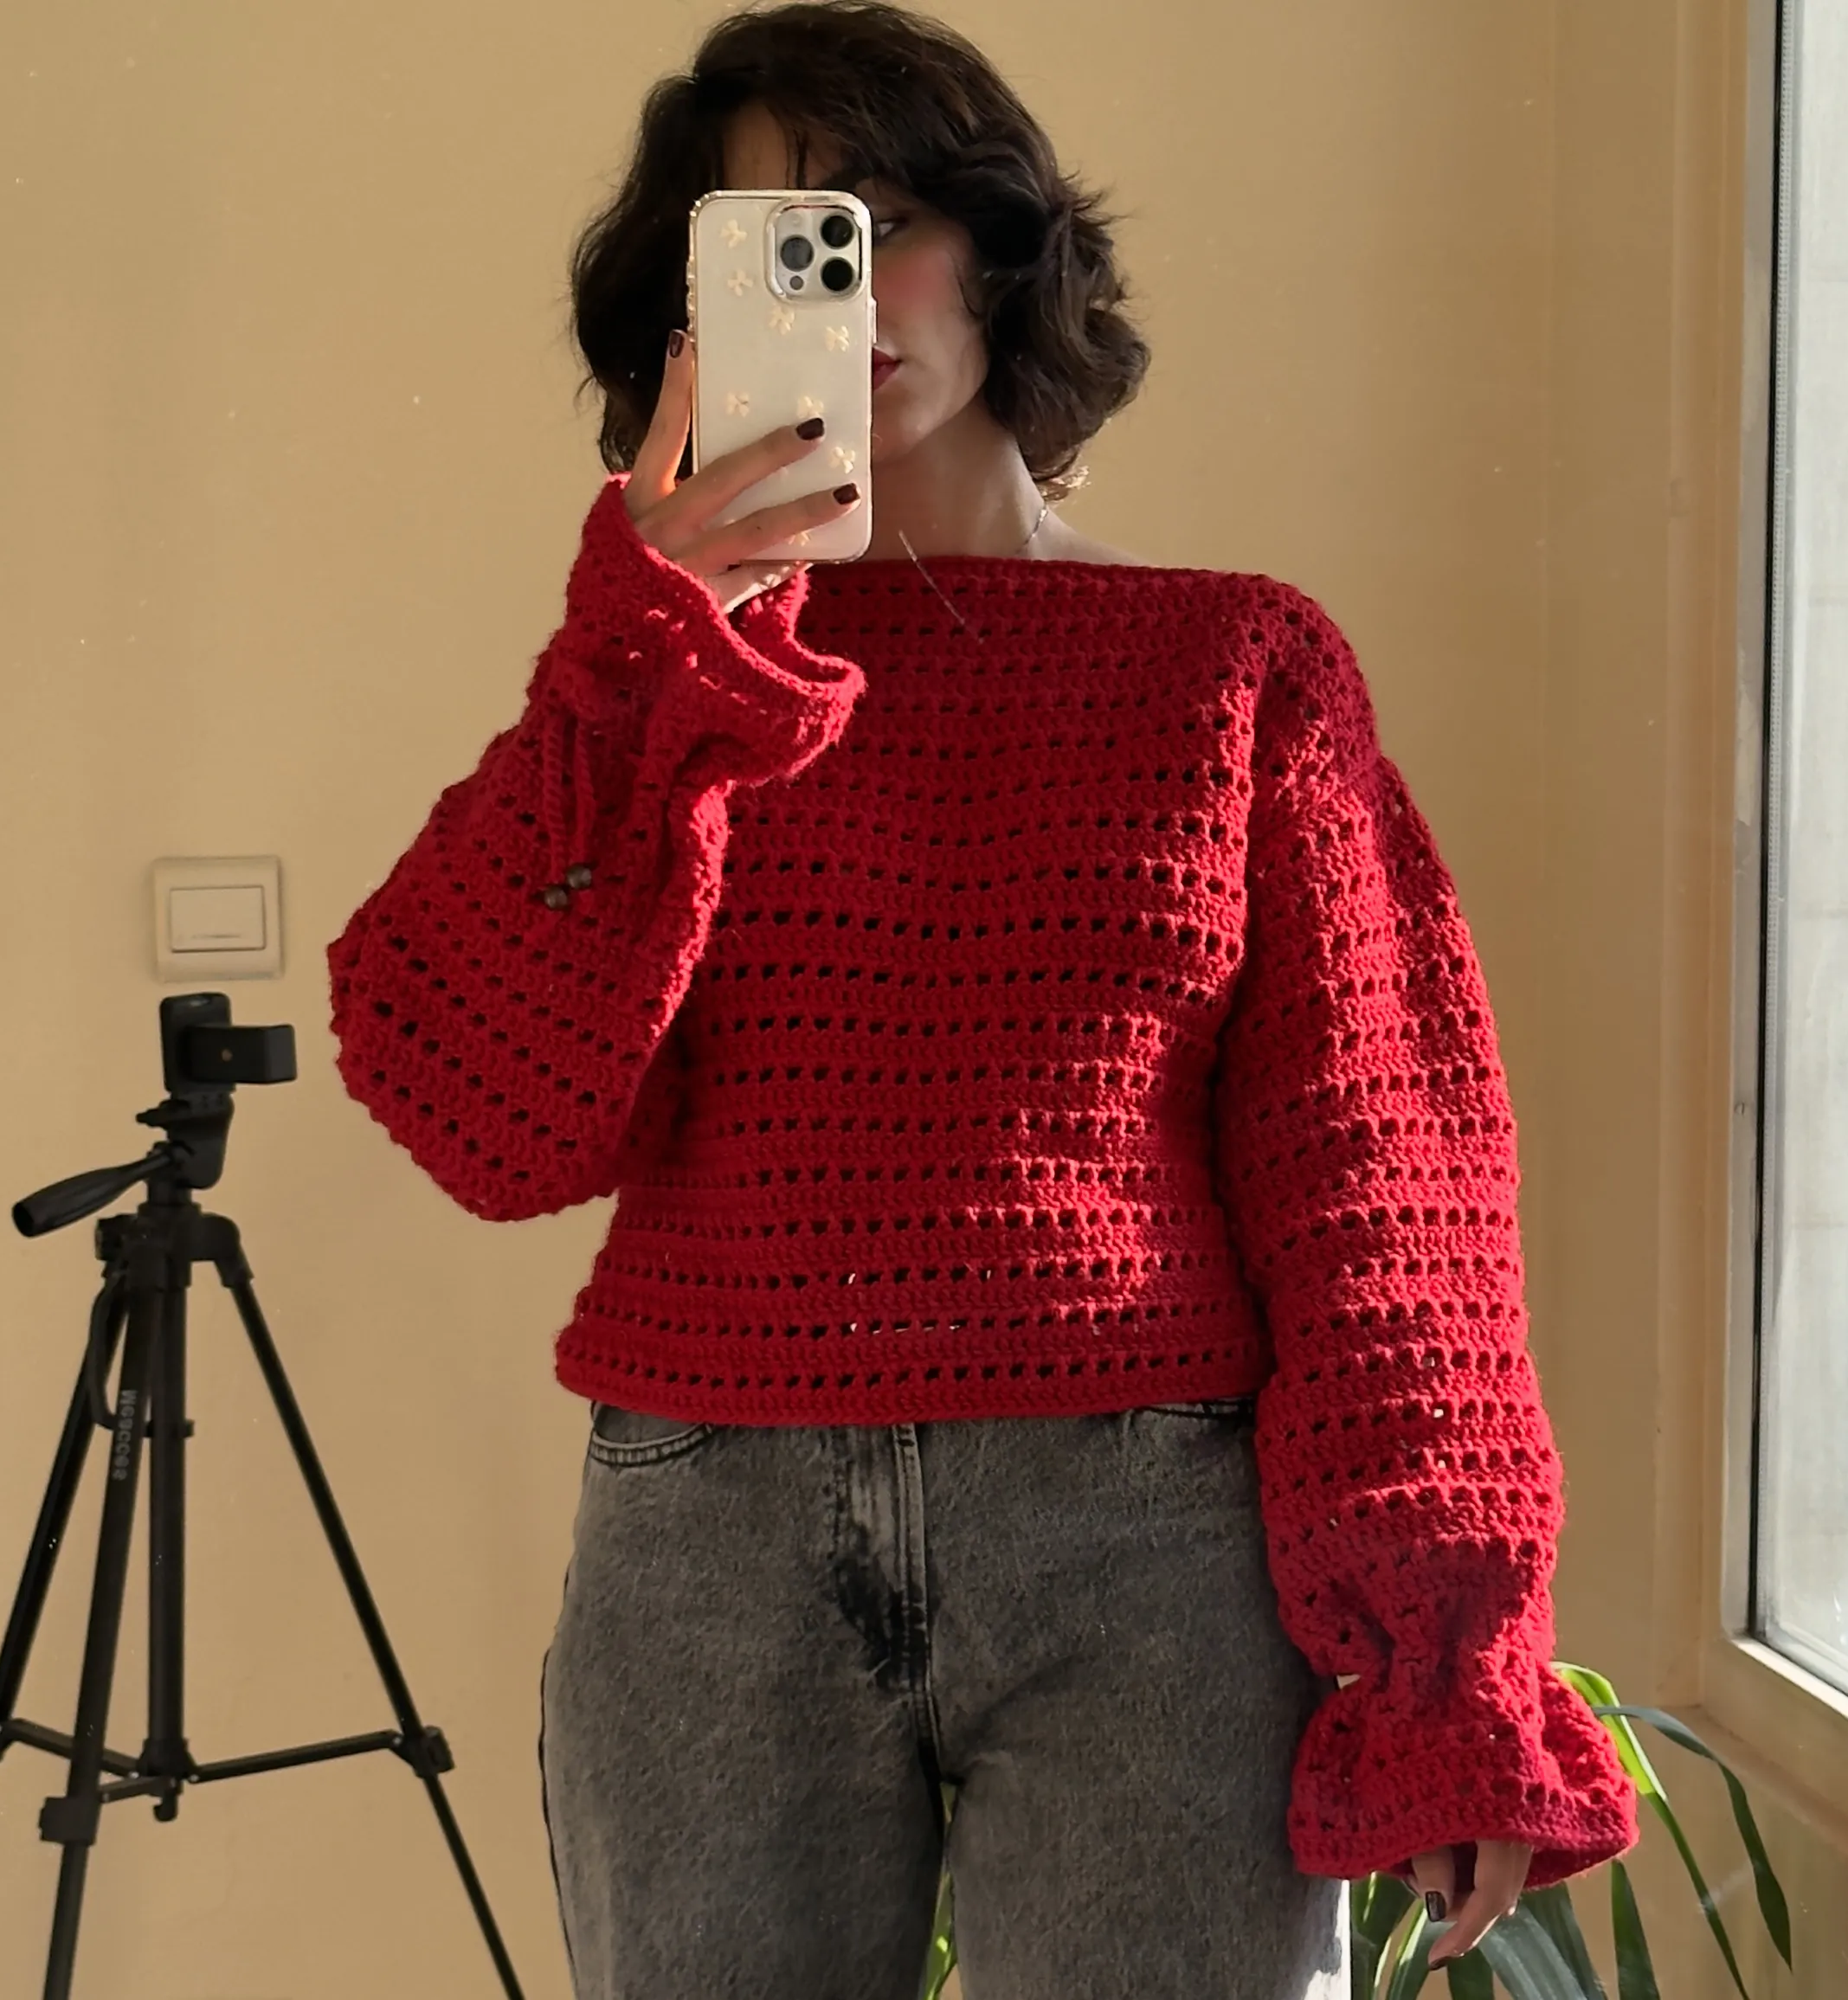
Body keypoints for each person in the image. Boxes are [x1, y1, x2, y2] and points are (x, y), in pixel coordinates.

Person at [324, 3, 1639, 1995]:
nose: (845, 291)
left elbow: (1382, 1193)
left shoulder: (1237, 669)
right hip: (712, 1539)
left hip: (1147, 1549)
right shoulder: (671, 688)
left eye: (883, 221)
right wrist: (642, 655)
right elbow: (487, 1116)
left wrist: (1449, 1667)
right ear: (692, 319)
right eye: (775, 245)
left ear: (1006, 251)